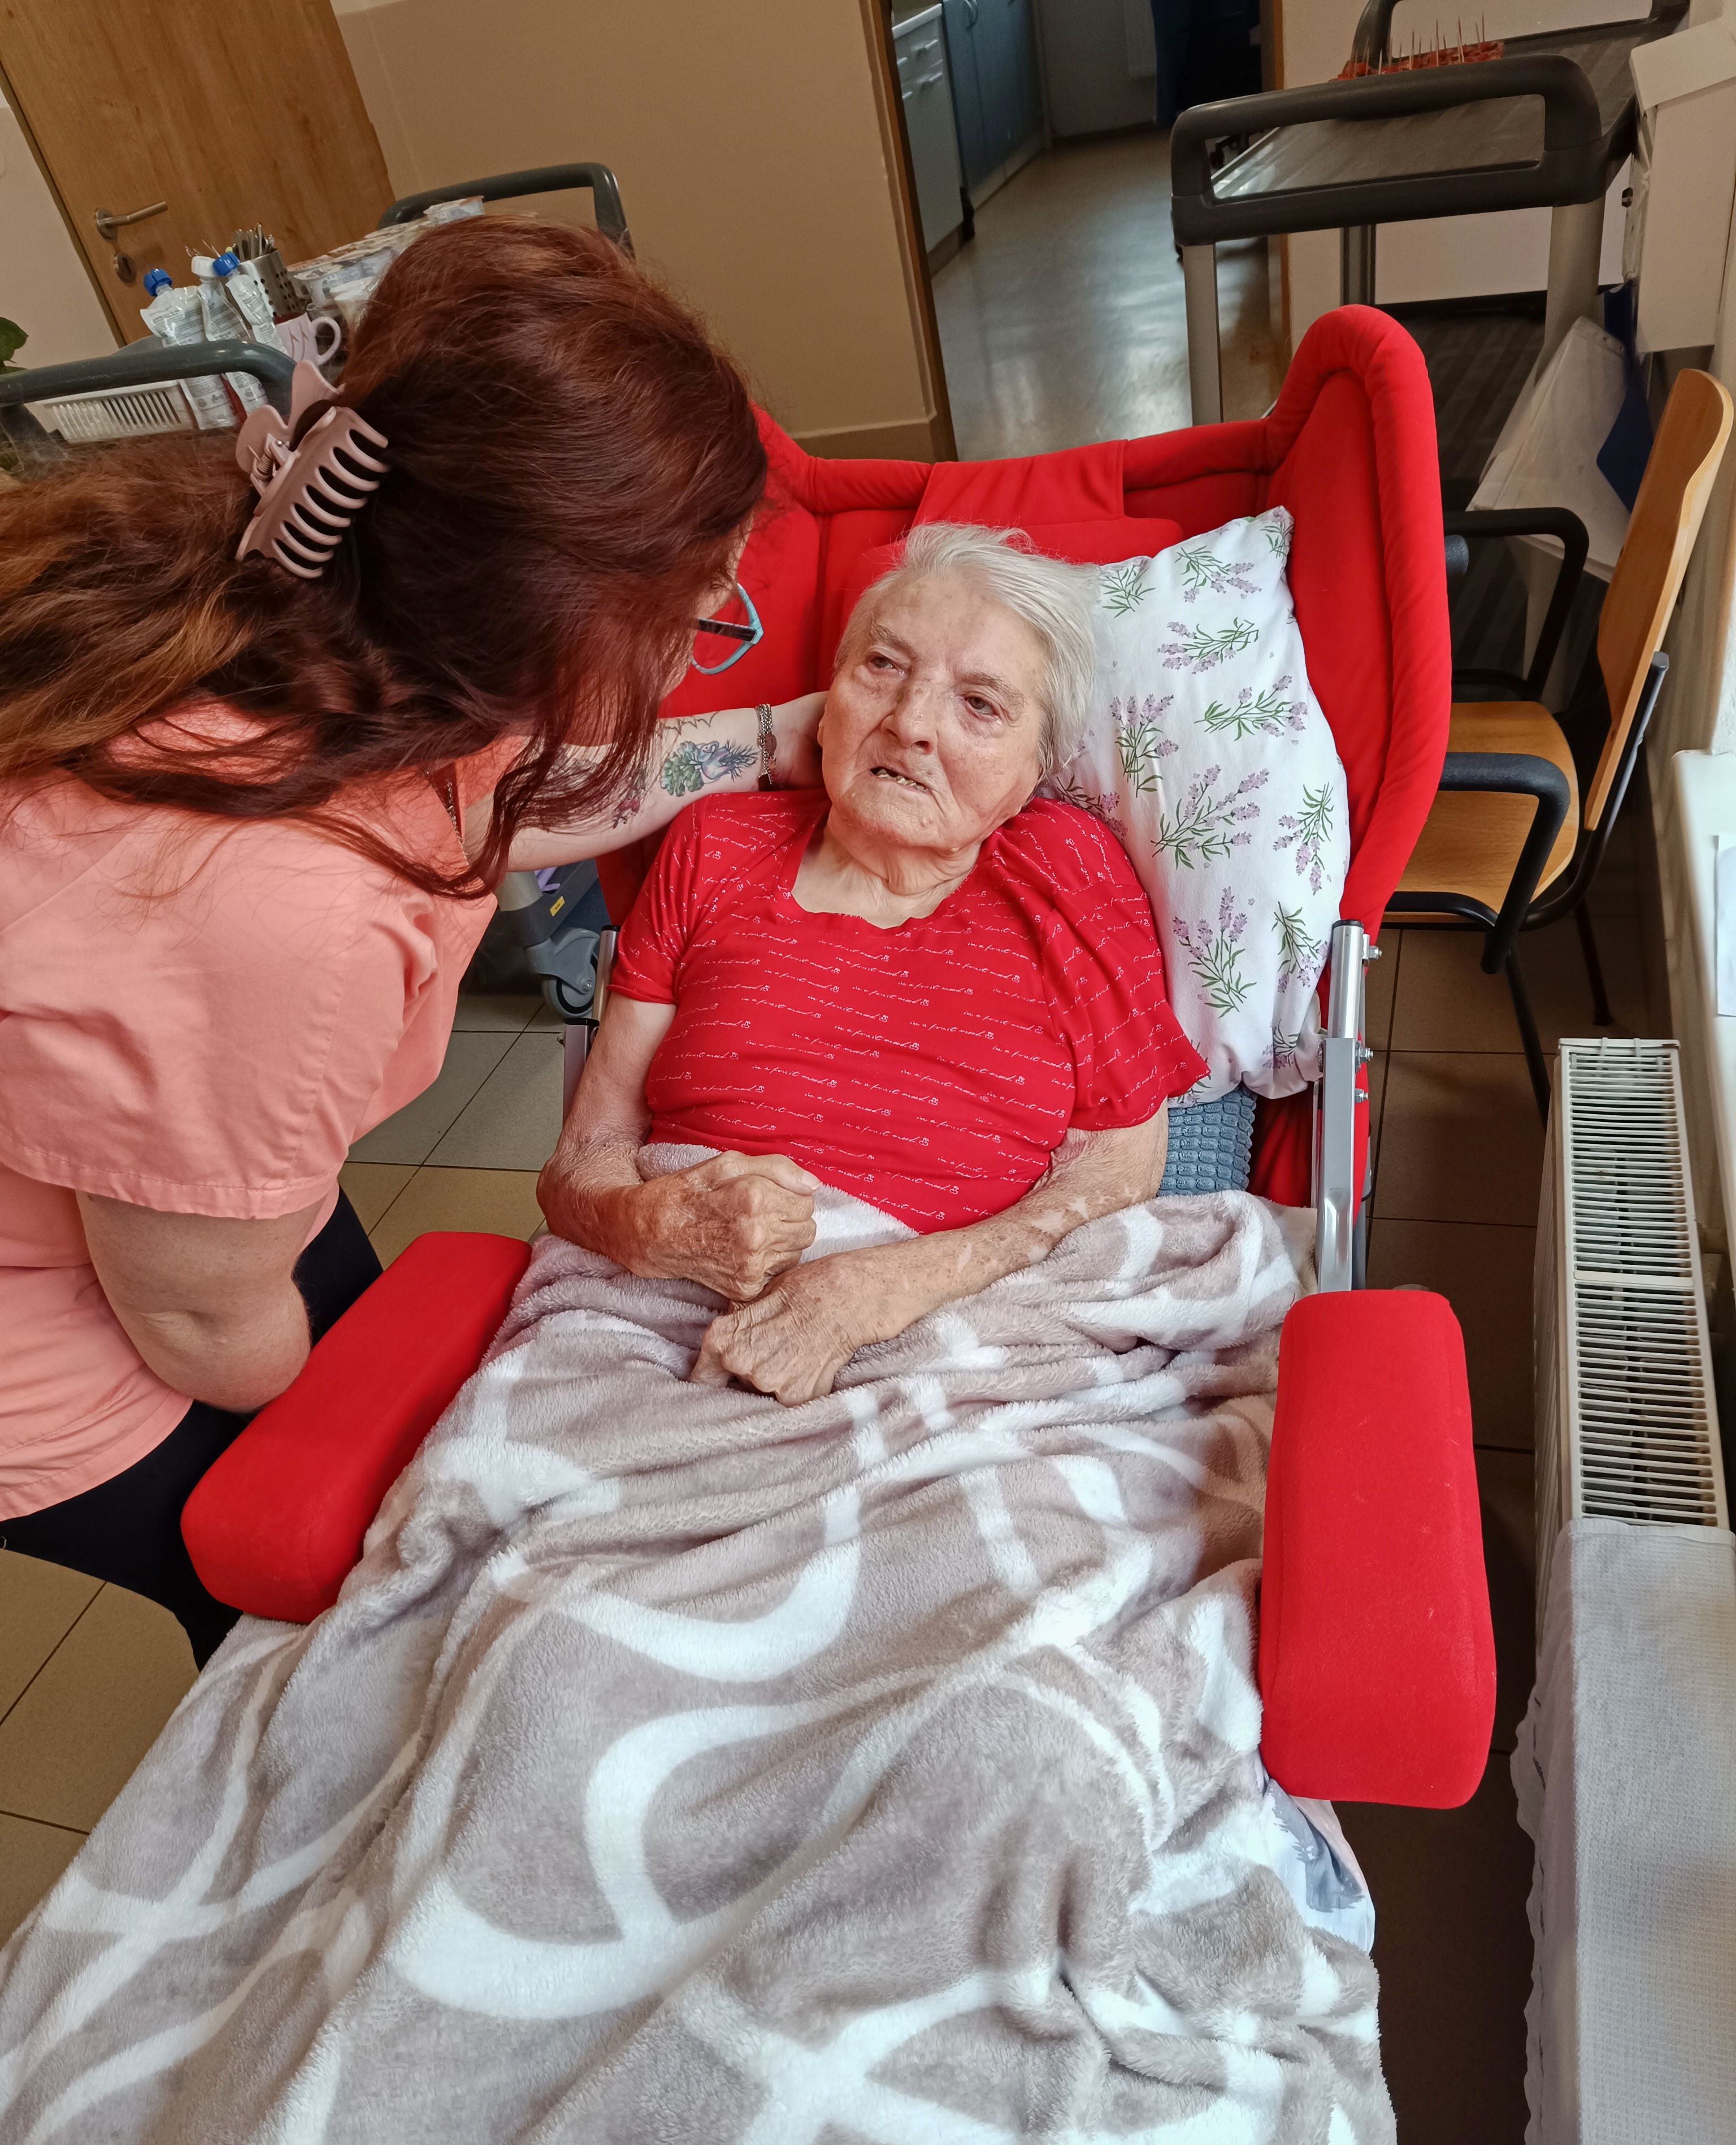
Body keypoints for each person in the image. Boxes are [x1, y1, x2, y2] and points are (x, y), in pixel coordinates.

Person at [0, 218, 824, 1663]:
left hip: (187, 1198)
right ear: (547, 625)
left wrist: (766, 740)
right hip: (59, 1335)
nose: (714, 625)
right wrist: (385, 1450)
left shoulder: (349, 603)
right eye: (698, 611)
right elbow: (204, 1322)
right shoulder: (288, 911)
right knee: (299, 1597)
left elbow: (493, 804)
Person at [538, 524, 1206, 1404]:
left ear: (1033, 770)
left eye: (981, 705)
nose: (910, 724)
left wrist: (886, 1288)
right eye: (883, 666)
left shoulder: (1068, 868)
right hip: (660, 1324)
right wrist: (645, 1225)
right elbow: (585, 1157)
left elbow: (1119, 1172)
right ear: (828, 704)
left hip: (959, 1339)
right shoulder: (713, 846)